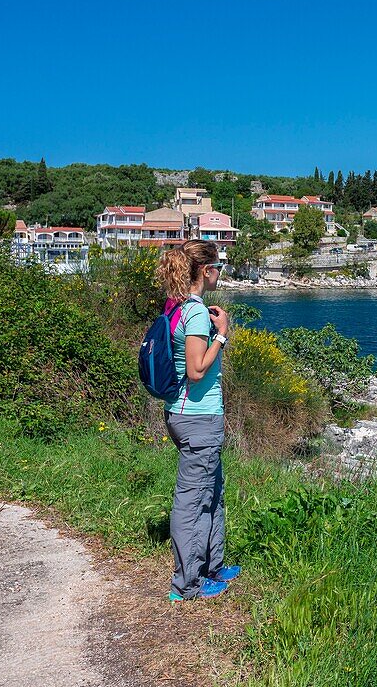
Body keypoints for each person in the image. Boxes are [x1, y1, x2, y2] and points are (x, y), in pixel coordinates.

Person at [154, 239, 240, 601]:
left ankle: (212, 566)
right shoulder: (195, 313)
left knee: (213, 493)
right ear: (206, 272)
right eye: (219, 266)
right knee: (192, 501)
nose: (221, 272)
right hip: (197, 419)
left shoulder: (182, 308)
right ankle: (186, 584)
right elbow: (195, 369)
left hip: (191, 416)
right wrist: (221, 335)